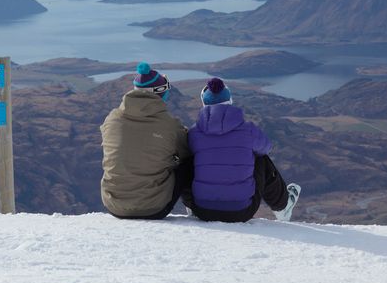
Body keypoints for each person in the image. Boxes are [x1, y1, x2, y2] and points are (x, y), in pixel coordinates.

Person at [182, 77, 301, 223]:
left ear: (204, 104)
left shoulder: (194, 133)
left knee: (188, 158)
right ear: (230, 101)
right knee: (261, 158)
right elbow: (267, 147)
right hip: (241, 211)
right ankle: (283, 207)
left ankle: (190, 207)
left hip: (202, 210)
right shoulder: (248, 130)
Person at [100, 62, 193, 219]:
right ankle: (193, 209)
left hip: (113, 205)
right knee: (189, 164)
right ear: (159, 93)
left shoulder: (112, 119)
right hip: (154, 208)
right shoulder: (169, 125)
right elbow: (186, 152)